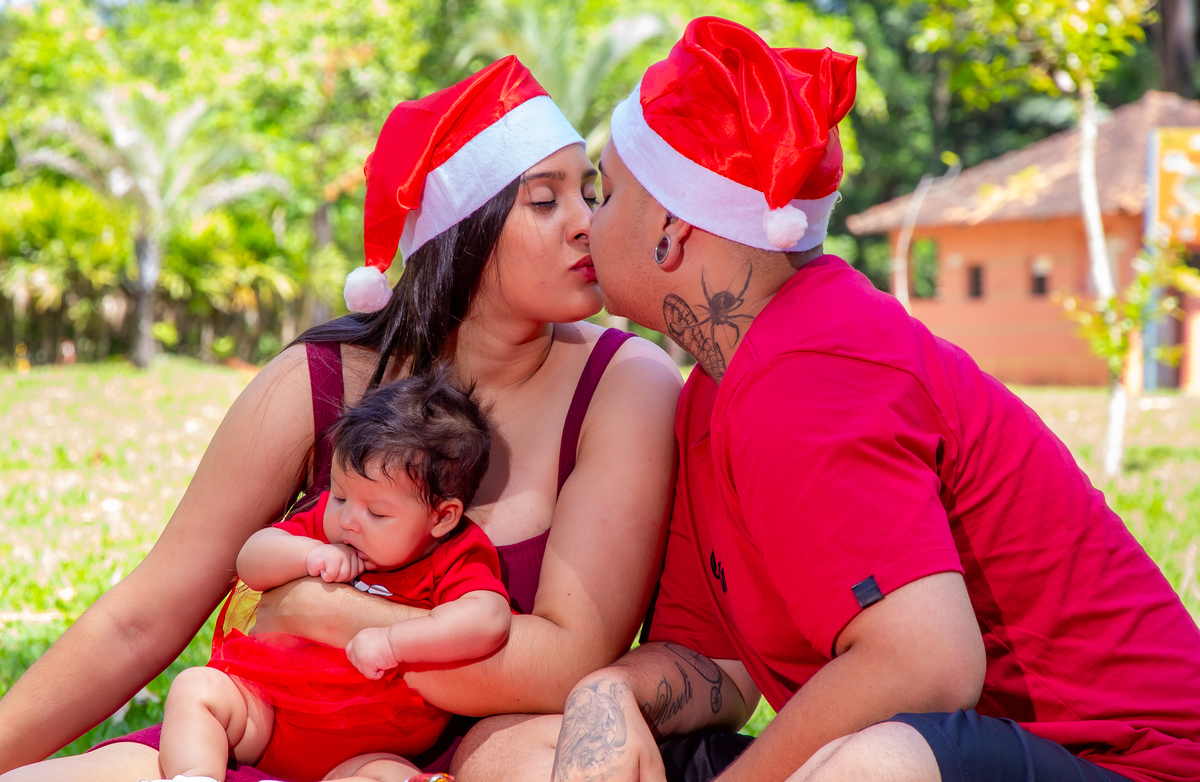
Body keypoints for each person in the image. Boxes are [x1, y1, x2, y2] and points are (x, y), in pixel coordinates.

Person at [458, 17, 1200, 782]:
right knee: (513, 747)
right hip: (951, 749)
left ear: (671, 227)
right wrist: (608, 691)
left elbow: (926, 667)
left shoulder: (807, 368)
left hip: (1129, 766)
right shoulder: (716, 388)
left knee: (878, 764)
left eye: (606, 194)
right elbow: (716, 665)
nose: (587, 225)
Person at [0, 55, 683, 782]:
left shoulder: (623, 383)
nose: (587, 224)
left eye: (589, 193)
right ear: (460, 231)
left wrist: (322, 612)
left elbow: (566, 662)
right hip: (264, 733)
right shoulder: (325, 379)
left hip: (457, 761)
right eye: (545, 201)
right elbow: (140, 621)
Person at [156, 372, 510, 782]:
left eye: (377, 513)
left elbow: (487, 618)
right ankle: (195, 775)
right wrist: (308, 554)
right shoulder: (326, 532)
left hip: (368, 741)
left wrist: (393, 641)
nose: (347, 520)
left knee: (384, 774)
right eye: (340, 495)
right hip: (267, 710)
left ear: (442, 517)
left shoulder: (454, 554)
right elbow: (251, 559)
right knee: (196, 688)